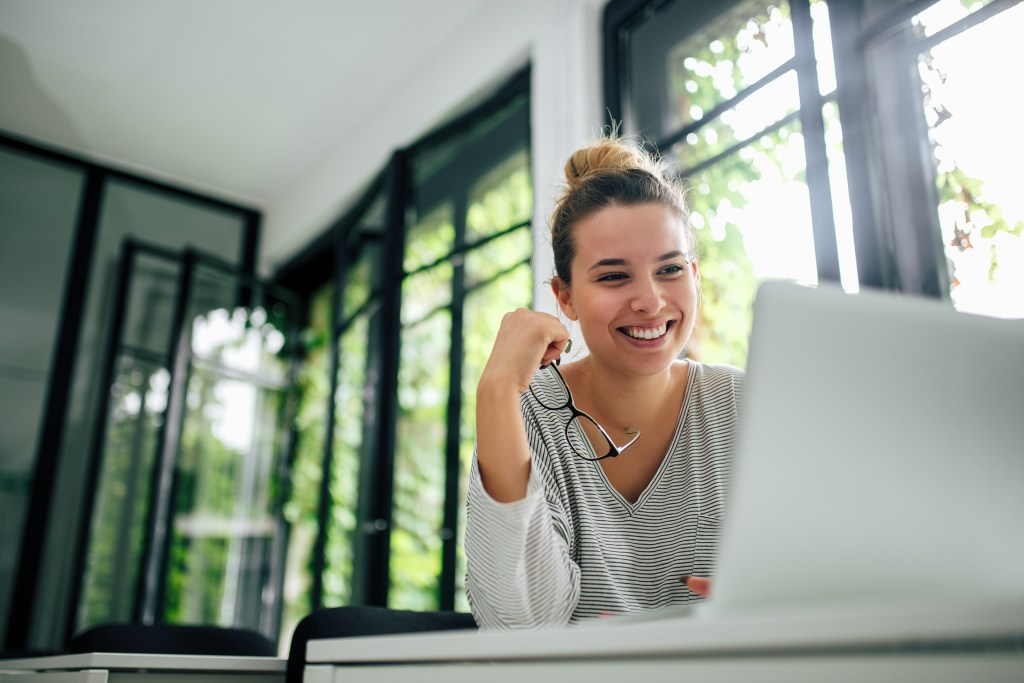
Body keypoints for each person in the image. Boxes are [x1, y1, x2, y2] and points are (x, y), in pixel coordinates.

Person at [464, 135, 744, 629]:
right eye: (614, 277)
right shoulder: (529, 412)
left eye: (670, 269)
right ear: (565, 297)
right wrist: (496, 391)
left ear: (694, 276)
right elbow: (519, 628)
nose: (651, 301)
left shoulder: (744, 406)